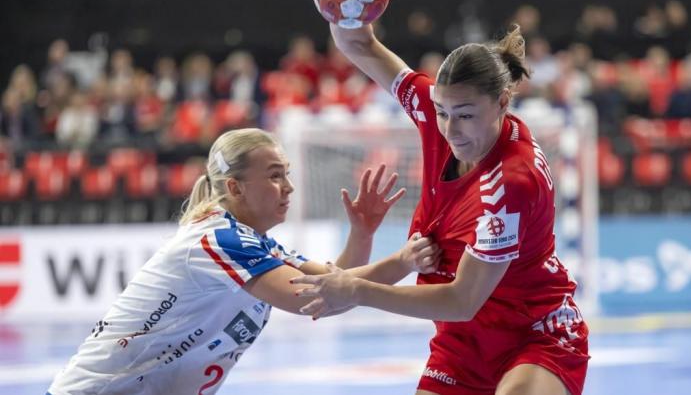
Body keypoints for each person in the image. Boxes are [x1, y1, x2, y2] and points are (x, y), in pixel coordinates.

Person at [291, 21, 590, 395]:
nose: (451, 129)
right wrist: (342, 12)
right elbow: (362, 46)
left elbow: (462, 299)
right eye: (443, 112)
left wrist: (357, 291)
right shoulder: (439, 114)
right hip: (462, 344)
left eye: (465, 115)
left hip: (534, 334)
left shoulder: (511, 181)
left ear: (502, 102)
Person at [47, 127, 439, 395]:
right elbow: (313, 299)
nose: (288, 187)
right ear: (234, 187)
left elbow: (335, 288)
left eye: (286, 174)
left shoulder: (255, 243)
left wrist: (364, 234)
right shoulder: (220, 239)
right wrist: (404, 261)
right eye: (273, 176)